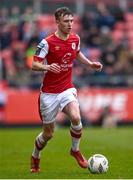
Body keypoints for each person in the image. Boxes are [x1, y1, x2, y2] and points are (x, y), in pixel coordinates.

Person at [30, 7, 103, 173]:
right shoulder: (47, 42)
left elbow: (76, 53)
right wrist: (47, 67)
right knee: (48, 134)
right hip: (49, 94)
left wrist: (90, 63)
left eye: (72, 21)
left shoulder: (75, 38)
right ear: (57, 22)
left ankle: (75, 150)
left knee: (76, 117)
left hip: (66, 88)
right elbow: (34, 64)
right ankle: (35, 155)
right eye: (66, 21)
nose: (70, 24)